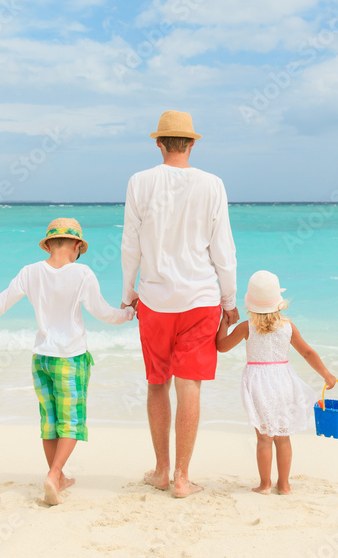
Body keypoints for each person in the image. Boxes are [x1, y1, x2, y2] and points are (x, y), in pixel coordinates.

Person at [0, 218, 134, 505]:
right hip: (70, 358)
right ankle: (54, 474)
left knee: (50, 421)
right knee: (71, 422)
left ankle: (57, 477)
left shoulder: (30, 272)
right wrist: (130, 312)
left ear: (49, 243)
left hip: (41, 358)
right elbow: (104, 313)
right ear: (77, 245)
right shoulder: (82, 273)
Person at [121, 109, 238, 498]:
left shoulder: (139, 182)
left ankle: (160, 470)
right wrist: (230, 298)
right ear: (191, 143)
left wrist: (127, 295)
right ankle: (183, 479)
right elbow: (223, 249)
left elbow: (130, 245)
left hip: (154, 300)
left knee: (158, 384)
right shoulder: (213, 184)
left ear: (159, 143)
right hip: (201, 299)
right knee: (190, 387)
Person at [216, 270, 337, 495]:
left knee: (263, 438)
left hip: (258, 384)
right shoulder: (288, 327)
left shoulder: (246, 327)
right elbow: (308, 353)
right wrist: (327, 375)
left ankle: (264, 486)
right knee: (283, 436)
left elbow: (221, 346)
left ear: (250, 302)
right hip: (284, 382)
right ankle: (284, 485)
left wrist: (223, 322)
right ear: (278, 302)